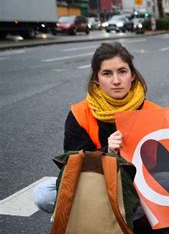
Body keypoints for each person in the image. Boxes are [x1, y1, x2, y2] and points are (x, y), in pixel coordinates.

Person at [33, 42, 159, 214]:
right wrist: (108, 152)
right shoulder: (80, 113)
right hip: (95, 184)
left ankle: (108, 215)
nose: (116, 81)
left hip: (137, 186)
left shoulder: (152, 112)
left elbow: (164, 166)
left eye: (122, 71)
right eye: (107, 73)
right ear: (96, 79)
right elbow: (71, 166)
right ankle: (115, 215)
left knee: (162, 192)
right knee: (42, 194)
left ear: (132, 75)